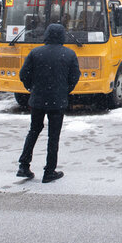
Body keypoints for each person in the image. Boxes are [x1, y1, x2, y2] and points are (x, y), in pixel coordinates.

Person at [16, 23, 80, 183]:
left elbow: (23, 74)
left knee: (34, 131)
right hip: (57, 101)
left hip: (37, 99)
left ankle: (24, 165)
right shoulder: (69, 54)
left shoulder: (36, 52)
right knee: (53, 136)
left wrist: (32, 87)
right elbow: (75, 77)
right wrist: (65, 90)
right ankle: (49, 171)